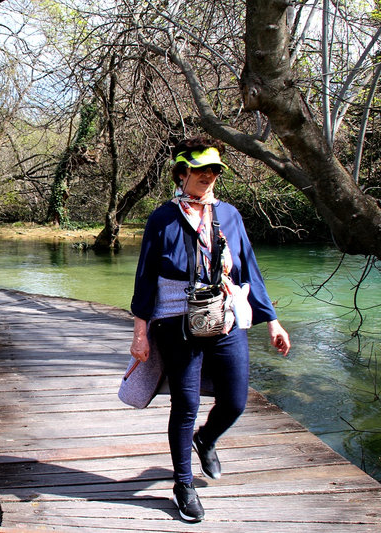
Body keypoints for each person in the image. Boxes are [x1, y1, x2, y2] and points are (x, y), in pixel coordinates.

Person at [129, 137, 291, 523]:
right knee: (184, 405)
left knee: (235, 400)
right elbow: (145, 279)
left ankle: (208, 439)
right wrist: (139, 333)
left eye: (215, 170)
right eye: (201, 170)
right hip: (175, 322)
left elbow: (250, 268)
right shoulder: (162, 219)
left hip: (225, 318)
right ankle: (182, 484)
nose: (209, 177)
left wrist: (272, 320)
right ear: (182, 173)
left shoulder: (230, 216)